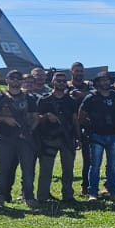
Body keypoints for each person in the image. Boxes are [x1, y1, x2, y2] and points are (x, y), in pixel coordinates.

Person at [0, 70, 38, 208]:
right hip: (5, 137)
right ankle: (0, 198)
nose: (16, 80)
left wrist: (29, 132)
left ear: (22, 81)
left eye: (18, 78)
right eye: (12, 78)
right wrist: (4, 119)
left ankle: (29, 197)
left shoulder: (29, 98)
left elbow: (35, 118)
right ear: (7, 80)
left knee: (27, 169)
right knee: (3, 169)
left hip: (24, 139)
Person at [78, 72, 115, 201]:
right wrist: (90, 128)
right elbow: (81, 116)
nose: (105, 83)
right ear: (97, 83)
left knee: (113, 165)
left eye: (107, 80)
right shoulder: (91, 98)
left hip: (114, 136)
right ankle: (93, 192)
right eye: (102, 80)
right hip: (96, 136)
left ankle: (113, 190)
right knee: (95, 165)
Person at [33, 72, 81, 206]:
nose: (60, 83)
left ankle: (68, 195)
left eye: (63, 81)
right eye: (58, 81)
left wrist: (78, 137)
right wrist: (47, 115)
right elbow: (36, 118)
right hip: (49, 138)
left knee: (68, 169)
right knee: (46, 169)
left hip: (67, 138)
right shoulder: (44, 100)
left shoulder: (70, 101)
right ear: (52, 82)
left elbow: (74, 119)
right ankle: (42, 196)